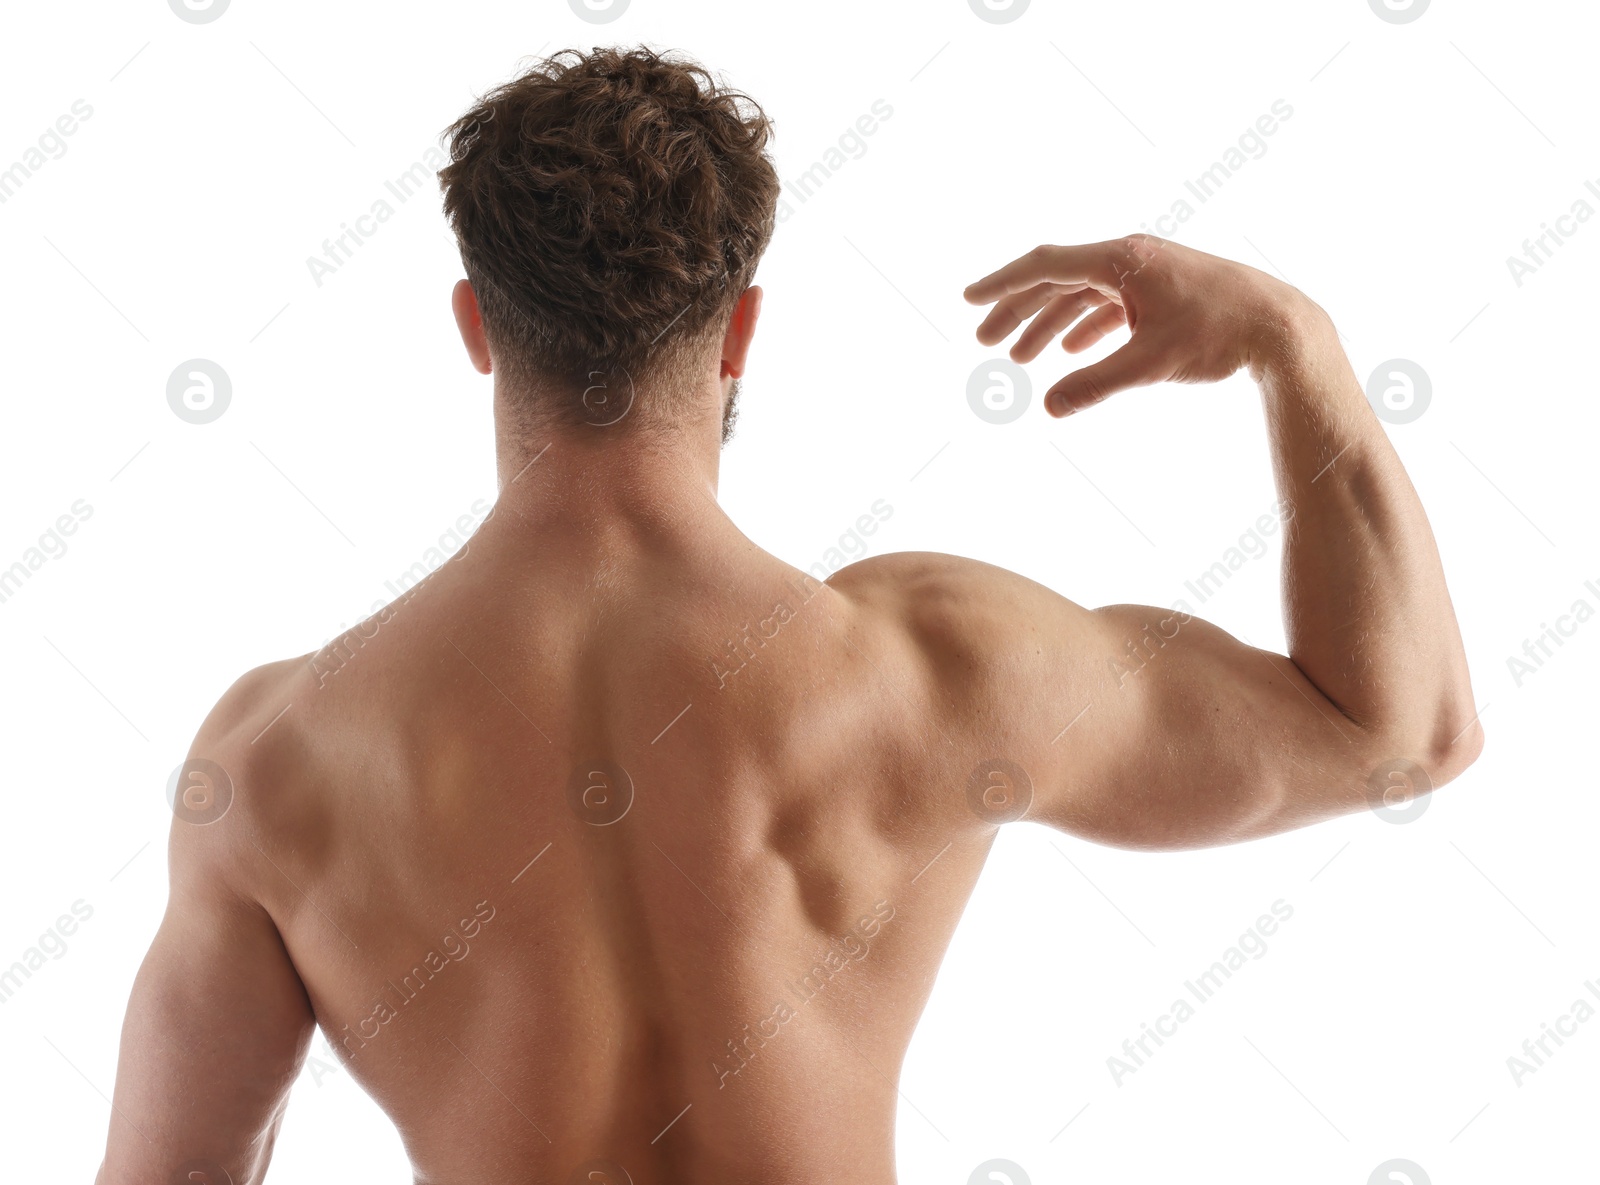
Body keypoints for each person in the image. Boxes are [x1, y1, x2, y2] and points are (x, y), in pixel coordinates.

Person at [96, 46, 1481, 1185]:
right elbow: (1402, 730)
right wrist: (1294, 345)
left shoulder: (281, 759)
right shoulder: (936, 669)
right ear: (742, 329)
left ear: (476, 323)